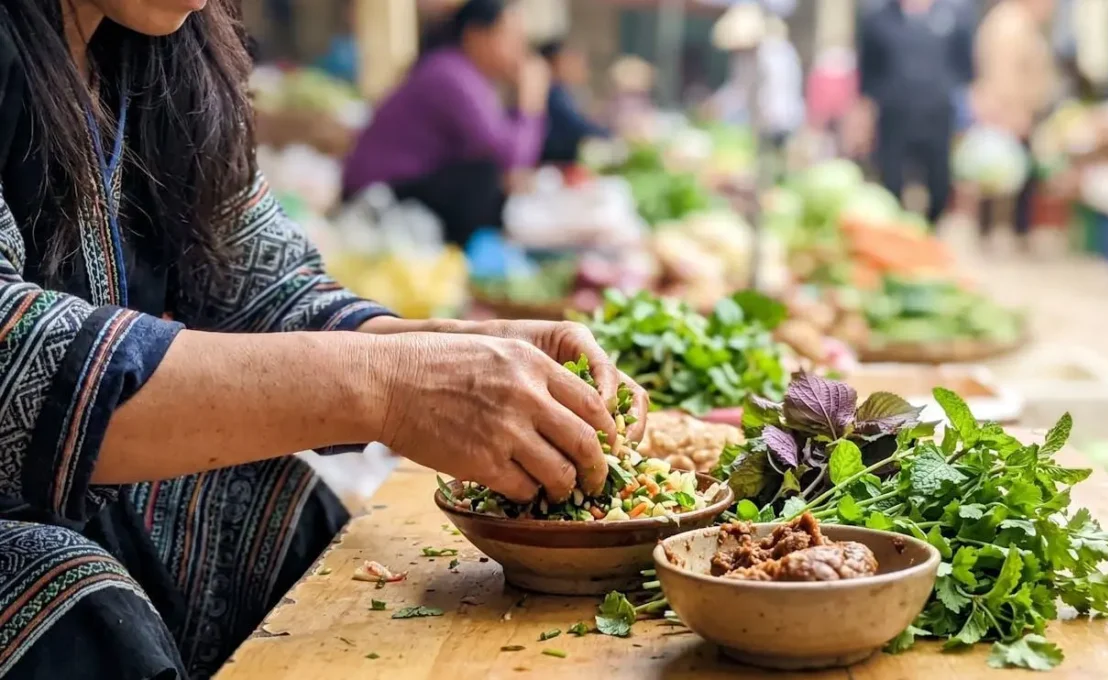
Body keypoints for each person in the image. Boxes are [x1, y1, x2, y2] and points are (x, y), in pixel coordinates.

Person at [0, 2, 647, 678]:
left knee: (273, 508)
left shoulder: (165, 58)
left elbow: (265, 291)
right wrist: (390, 389)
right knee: (71, 601)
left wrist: (452, 350)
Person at [342, 0, 549, 247]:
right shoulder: (451, 75)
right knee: (483, 176)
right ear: (476, 36)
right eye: (512, 38)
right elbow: (509, 158)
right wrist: (530, 102)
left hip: (400, 191)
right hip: (376, 198)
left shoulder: (463, 74)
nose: (521, 51)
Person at [857, 0, 976, 227]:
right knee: (890, 180)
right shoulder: (878, 18)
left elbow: (964, 69)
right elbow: (868, 73)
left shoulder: (954, 14)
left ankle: (932, 231)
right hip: (894, 114)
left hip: (937, 113)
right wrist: (864, 116)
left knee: (939, 181)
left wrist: (967, 112)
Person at [972, 0, 1057, 247]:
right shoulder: (1010, 24)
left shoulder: (1019, 21)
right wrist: (1013, 111)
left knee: (1009, 172)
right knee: (1001, 173)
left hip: (1018, 109)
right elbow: (1004, 74)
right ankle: (1001, 232)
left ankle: (1010, 231)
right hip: (1011, 111)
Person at [707, 15, 805, 149]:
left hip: (779, 122)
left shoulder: (774, 55)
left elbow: (773, 95)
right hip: (763, 123)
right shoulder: (749, 57)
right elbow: (737, 87)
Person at [537, 39, 609, 165]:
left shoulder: (562, 91)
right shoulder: (552, 93)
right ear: (553, 63)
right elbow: (577, 125)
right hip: (552, 162)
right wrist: (608, 133)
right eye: (567, 61)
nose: (571, 66)